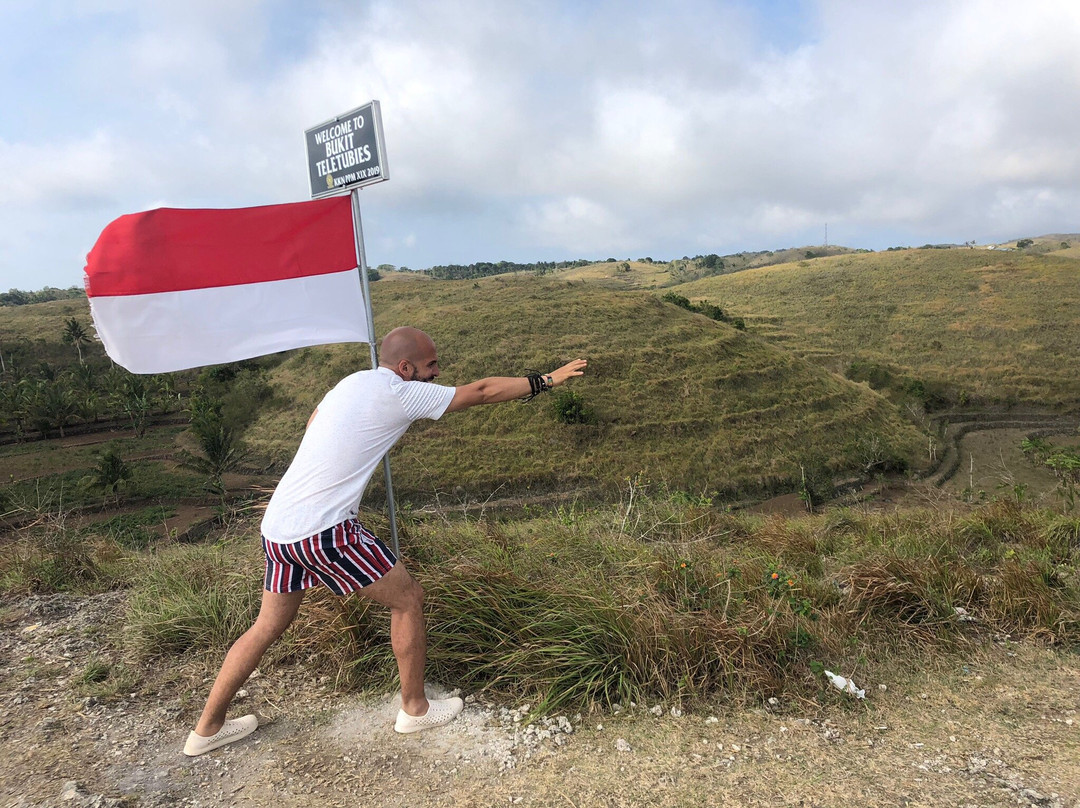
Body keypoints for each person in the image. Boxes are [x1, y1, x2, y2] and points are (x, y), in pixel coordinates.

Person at [183, 327, 587, 755]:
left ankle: (206, 730)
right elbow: (482, 391)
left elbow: (314, 423)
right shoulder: (400, 392)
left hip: (280, 526)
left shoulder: (352, 382)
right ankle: (415, 710)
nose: (437, 372)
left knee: (266, 625)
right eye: (431, 366)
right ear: (405, 367)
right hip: (325, 529)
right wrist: (546, 379)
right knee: (408, 598)